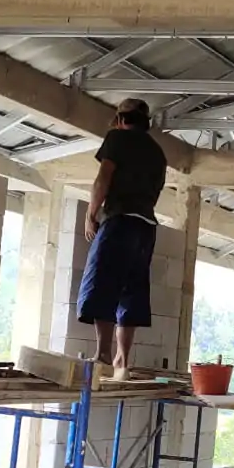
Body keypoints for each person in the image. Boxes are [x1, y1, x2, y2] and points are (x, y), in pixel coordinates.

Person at [77, 99, 167, 376]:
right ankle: (122, 361)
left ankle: (103, 354)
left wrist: (91, 214)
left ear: (120, 119)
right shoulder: (158, 153)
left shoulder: (117, 138)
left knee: (103, 282)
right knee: (132, 288)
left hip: (120, 220)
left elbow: (103, 177)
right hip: (146, 226)